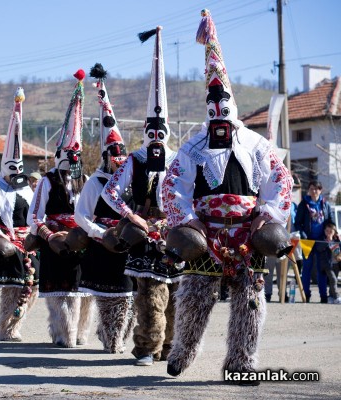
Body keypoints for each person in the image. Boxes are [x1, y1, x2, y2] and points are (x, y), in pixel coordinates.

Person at [162, 10, 293, 383]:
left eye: (224, 106)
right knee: (194, 298)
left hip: (248, 236)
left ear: (232, 106)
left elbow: (280, 181)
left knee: (250, 303)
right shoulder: (194, 146)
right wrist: (187, 219)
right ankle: (182, 353)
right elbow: (172, 186)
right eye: (213, 107)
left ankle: (241, 362)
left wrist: (266, 214)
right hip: (207, 236)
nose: (219, 112)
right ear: (208, 107)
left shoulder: (255, 143)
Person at [104, 28, 183, 366]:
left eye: (159, 133)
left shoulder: (181, 158)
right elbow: (111, 193)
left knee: (176, 295)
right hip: (142, 233)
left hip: (174, 233)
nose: (154, 138)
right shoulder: (134, 160)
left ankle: (171, 347)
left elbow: (189, 193)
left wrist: (177, 217)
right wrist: (132, 215)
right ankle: (147, 347)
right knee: (149, 294)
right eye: (149, 133)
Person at [27, 70, 94, 348]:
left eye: (75, 155)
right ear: (59, 155)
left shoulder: (86, 180)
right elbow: (34, 215)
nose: (71, 160)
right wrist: (49, 235)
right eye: (68, 155)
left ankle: (79, 333)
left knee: (82, 292)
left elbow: (90, 211)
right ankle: (61, 333)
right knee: (58, 292)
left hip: (79, 240)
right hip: (54, 242)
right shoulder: (47, 180)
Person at [77, 64, 135, 354]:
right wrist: (100, 233)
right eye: (115, 154)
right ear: (106, 157)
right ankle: (111, 340)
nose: (119, 159)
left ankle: (115, 336)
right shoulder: (95, 182)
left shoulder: (133, 181)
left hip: (127, 244)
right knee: (107, 298)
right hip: (103, 246)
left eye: (123, 154)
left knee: (127, 298)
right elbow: (81, 215)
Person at [0, 88, 40, 341]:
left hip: (30, 244)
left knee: (32, 289)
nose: (16, 174)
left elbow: (36, 212)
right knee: (12, 290)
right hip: (10, 244)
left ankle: (16, 324)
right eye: (12, 170)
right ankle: (5, 329)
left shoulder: (26, 189)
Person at [295, 180, 333, 303]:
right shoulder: (304, 204)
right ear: (309, 190)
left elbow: (331, 221)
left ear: (320, 190)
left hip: (322, 242)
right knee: (307, 268)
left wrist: (330, 233)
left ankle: (323, 296)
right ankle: (305, 295)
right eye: (312, 188)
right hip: (307, 241)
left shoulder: (325, 204)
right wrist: (303, 234)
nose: (314, 191)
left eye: (316, 188)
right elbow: (297, 223)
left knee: (322, 269)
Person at [320, 222, 340, 304]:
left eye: (330, 231)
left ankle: (331, 296)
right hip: (327, 265)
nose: (328, 233)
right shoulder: (322, 240)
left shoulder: (337, 240)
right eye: (327, 231)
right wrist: (326, 243)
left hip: (336, 264)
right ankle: (337, 296)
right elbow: (319, 248)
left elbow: (339, 251)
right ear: (324, 231)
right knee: (333, 280)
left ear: (334, 232)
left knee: (332, 281)